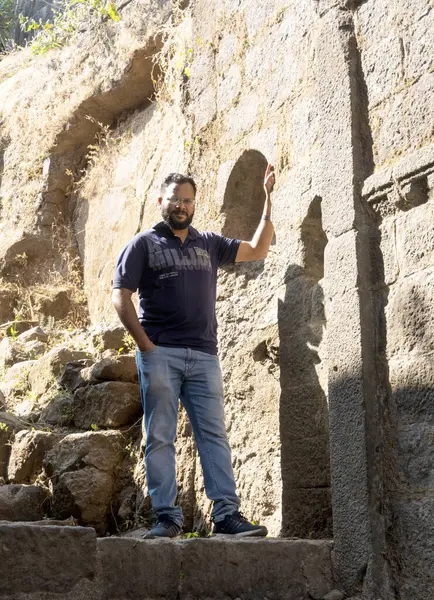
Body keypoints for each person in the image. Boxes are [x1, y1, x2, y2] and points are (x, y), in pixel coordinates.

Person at [112, 164, 275, 538]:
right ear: (161, 201)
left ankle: (226, 516)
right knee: (160, 436)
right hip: (161, 353)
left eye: (188, 200)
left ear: (194, 205)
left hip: (204, 355)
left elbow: (259, 248)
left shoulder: (209, 243)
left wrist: (267, 199)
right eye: (175, 200)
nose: (181, 206)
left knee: (213, 434)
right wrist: (146, 346)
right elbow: (120, 295)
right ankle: (167, 518)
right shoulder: (143, 244)